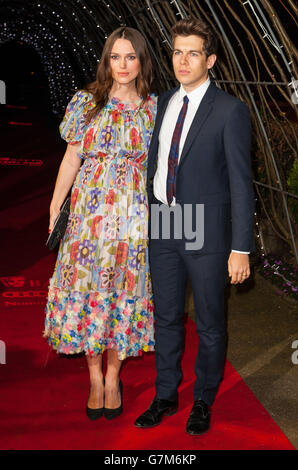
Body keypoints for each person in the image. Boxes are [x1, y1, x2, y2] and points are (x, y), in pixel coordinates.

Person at [134, 18, 255, 435]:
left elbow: (242, 182)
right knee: (165, 316)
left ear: (211, 60)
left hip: (205, 228)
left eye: (193, 53)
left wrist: (241, 247)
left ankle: (203, 397)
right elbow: (157, 165)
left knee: (208, 320)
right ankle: (166, 394)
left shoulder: (230, 111)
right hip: (166, 221)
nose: (183, 60)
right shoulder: (165, 101)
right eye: (177, 52)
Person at [44, 27, 156, 421]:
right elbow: (72, 159)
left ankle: (113, 376)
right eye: (115, 56)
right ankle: (94, 377)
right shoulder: (86, 101)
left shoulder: (152, 109)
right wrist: (56, 206)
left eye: (130, 57)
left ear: (142, 60)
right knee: (87, 293)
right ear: (106, 60)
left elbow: (160, 169)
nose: (122, 65)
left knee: (121, 295)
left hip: (132, 218)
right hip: (89, 218)